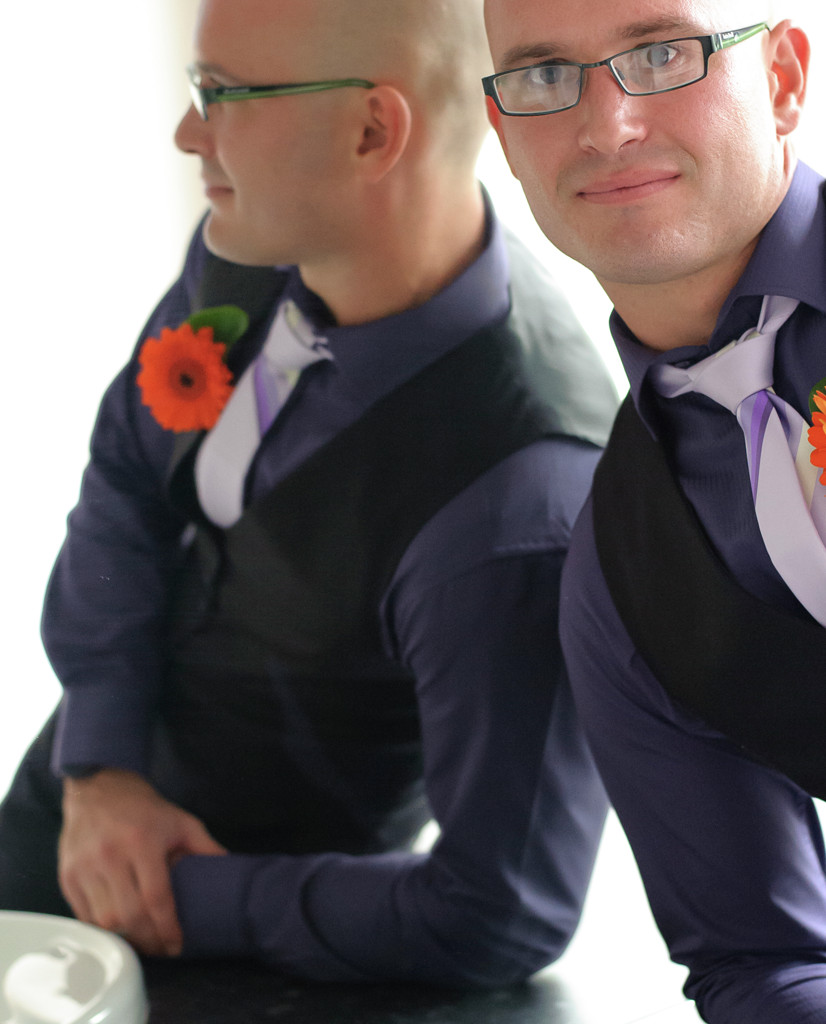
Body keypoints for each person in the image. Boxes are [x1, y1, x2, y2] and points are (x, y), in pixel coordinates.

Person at [0, 0, 619, 989]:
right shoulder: (254, 242)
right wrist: (100, 766)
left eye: (223, 94)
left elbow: (503, 910)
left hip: (265, 951)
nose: (188, 132)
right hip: (68, 806)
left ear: (372, 131)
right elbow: (128, 475)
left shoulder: (516, 505)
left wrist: (184, 895)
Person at [485, 0, 826, 1019]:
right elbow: (762, 961)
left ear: (781, 78)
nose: (607, 125)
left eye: (663, 53)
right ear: (503, 136)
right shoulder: (619, 573)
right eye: (546, 76)